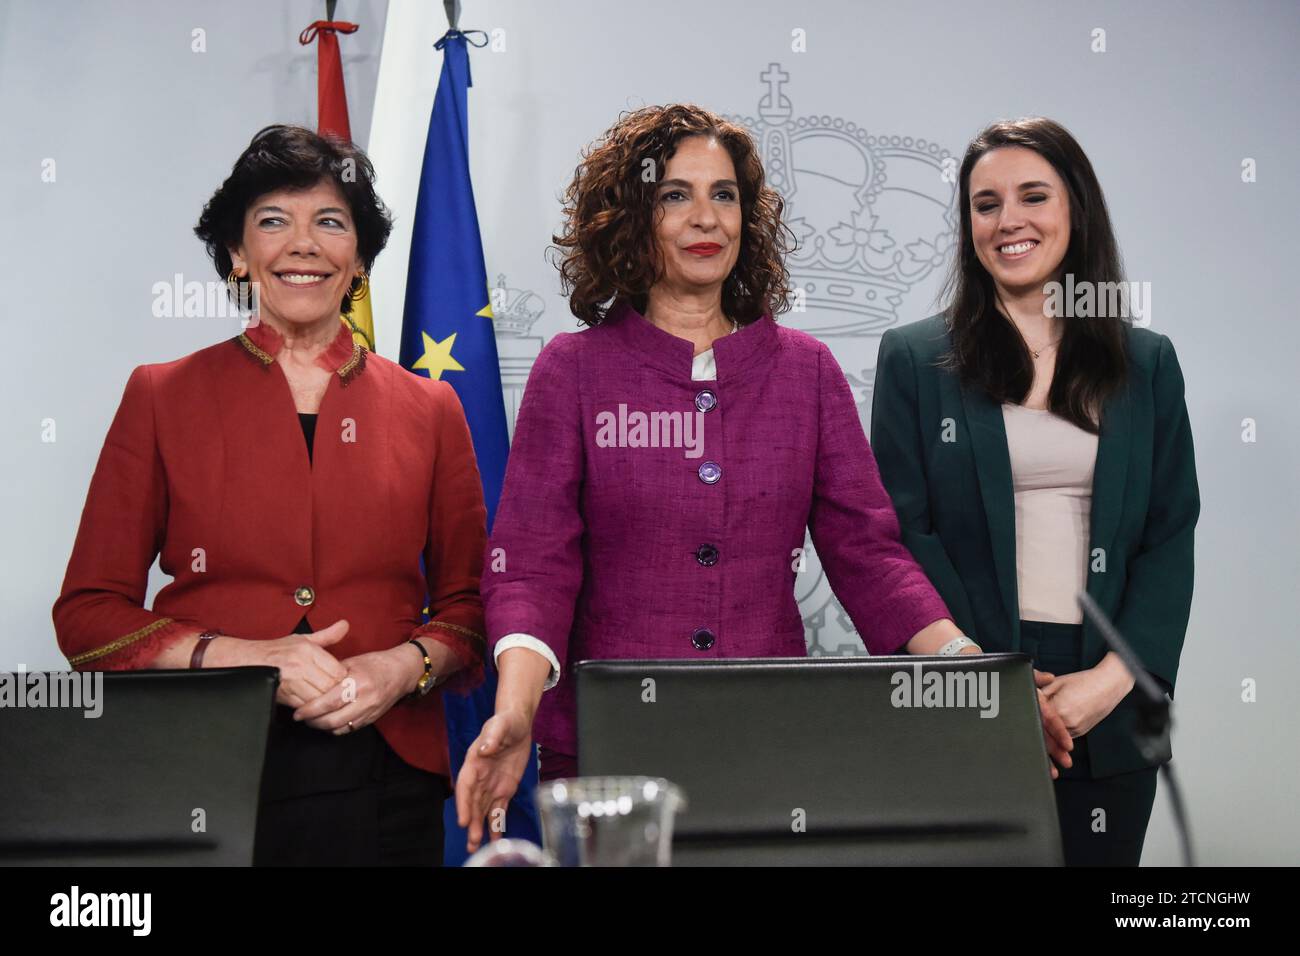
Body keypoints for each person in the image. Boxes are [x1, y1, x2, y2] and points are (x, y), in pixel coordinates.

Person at [455, 104, 1073, 853]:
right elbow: (531, 563)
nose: (704, 216)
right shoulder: (572, 370)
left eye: (725, 194)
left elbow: (868, 554)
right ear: (629, 218)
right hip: (607, 750)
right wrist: (515, 710)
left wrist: (975, 678)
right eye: (674, 195)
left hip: (767, 746)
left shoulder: (805, 371)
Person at [53, 125, 488, 866]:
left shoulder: (430, 409)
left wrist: (402, 666)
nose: (303, 244)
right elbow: (88, 617)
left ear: (358, 258)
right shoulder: (161, 395)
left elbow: (474, 607)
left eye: (329, 221)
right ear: (236, 254)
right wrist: (244, 657)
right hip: (204, 762)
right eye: (273, 222)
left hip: (383, 772)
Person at [870, 117, 1199, 866]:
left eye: (1033, 196)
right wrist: (986, 680)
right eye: (985, 204)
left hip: (1106, 702)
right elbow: (900, 536)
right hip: (962, 686)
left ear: (1075, 210)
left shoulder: (1146, 362)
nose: (1008, 220)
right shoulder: (914, 360)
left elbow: (1168, 534)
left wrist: (1110, 683)